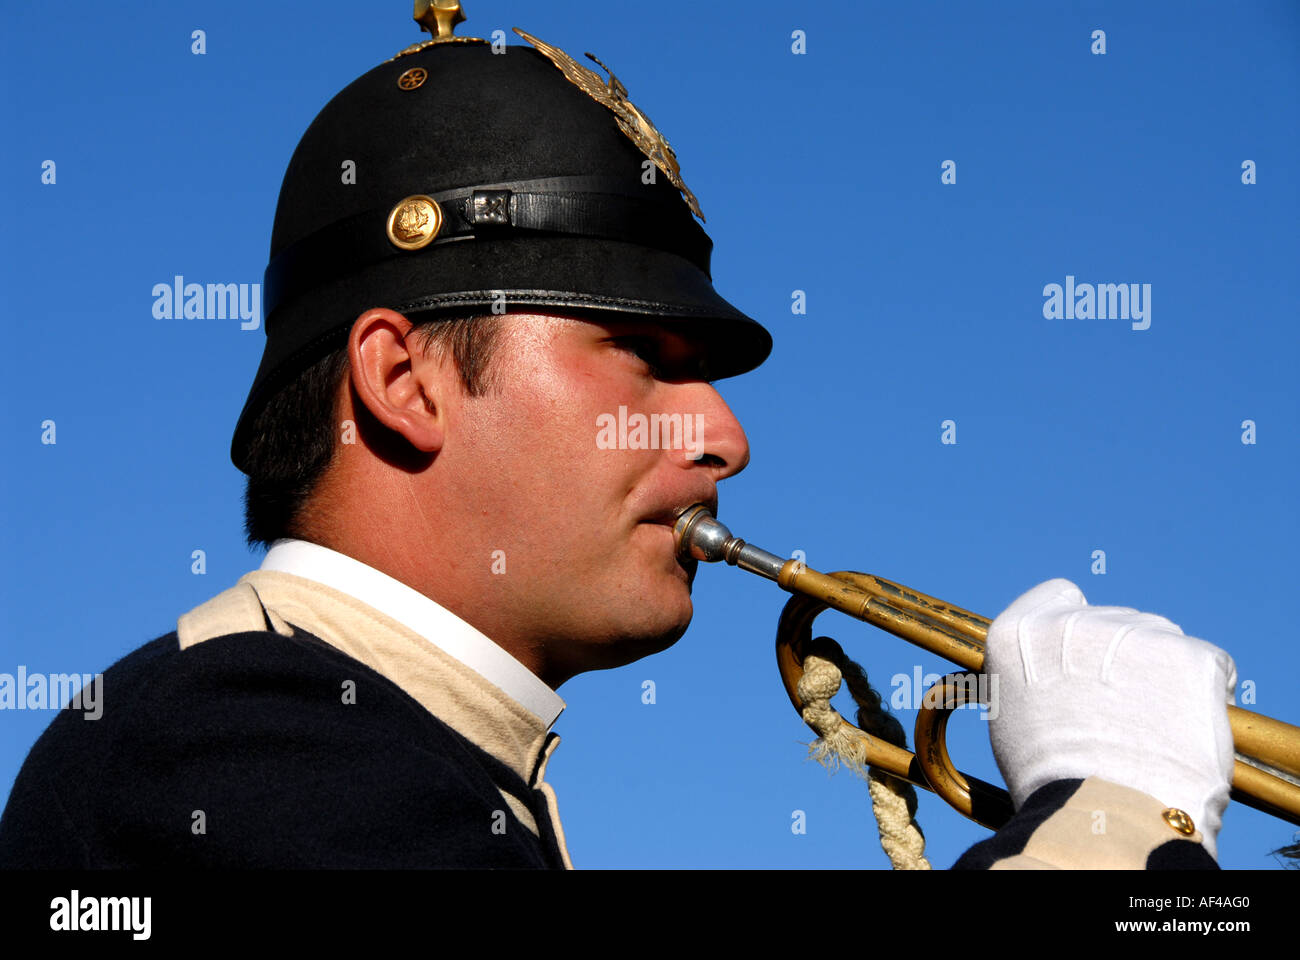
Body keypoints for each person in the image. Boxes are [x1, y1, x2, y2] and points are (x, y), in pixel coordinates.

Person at [0, 2, 1232, 870]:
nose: (726, 437)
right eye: (646, 358)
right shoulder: (227, 747)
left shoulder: (415, 748)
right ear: (400, 380)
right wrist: (1112, 819)